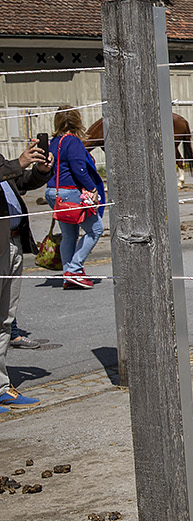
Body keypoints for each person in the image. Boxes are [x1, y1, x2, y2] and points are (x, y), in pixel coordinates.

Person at [2, 137, 53, 411]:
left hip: (11, 243)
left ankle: (1, 388)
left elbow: (20, 184)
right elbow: (9, 170)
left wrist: (40, 170)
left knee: (5, 321)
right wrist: (18, 163)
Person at [45, 107, 105, 290]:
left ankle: (68, 275)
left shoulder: (54, 142)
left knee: (69, 234)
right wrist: (92, 188)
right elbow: (79, 169)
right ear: (77, 121)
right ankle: (74, 269)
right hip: (70, 192)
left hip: (53, 192)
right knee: (95, 229)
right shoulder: (73, 142)